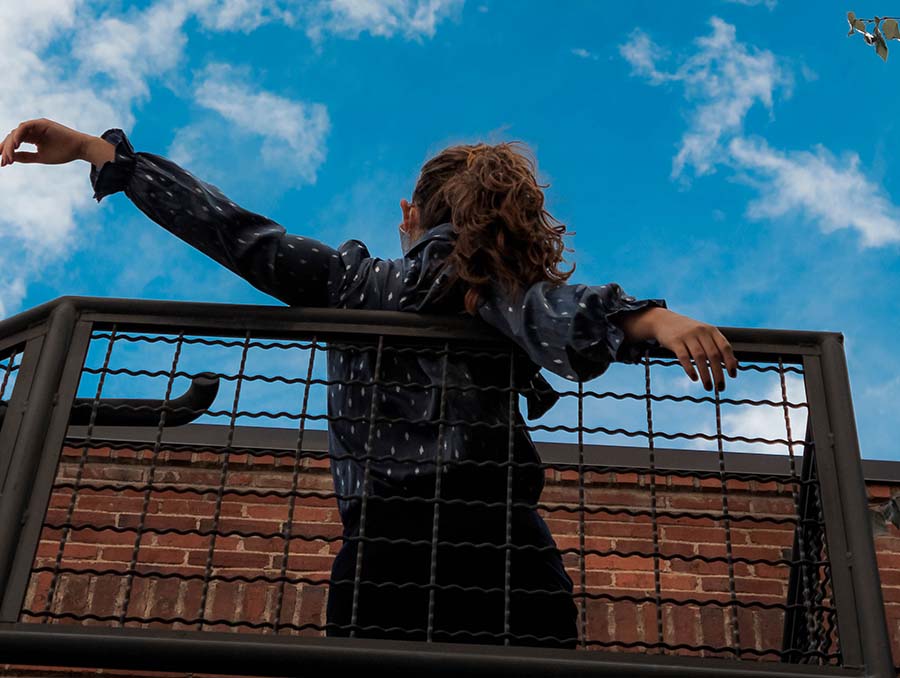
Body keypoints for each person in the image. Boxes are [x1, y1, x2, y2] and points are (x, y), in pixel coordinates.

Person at [0, 118, 739, 648]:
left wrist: (107, 155)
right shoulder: (495, 287)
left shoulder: (349, 281)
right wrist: (654, 320)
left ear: (407, 217)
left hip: (388, 548)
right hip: (505, 544)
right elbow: (564, 311)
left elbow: (233, 230)